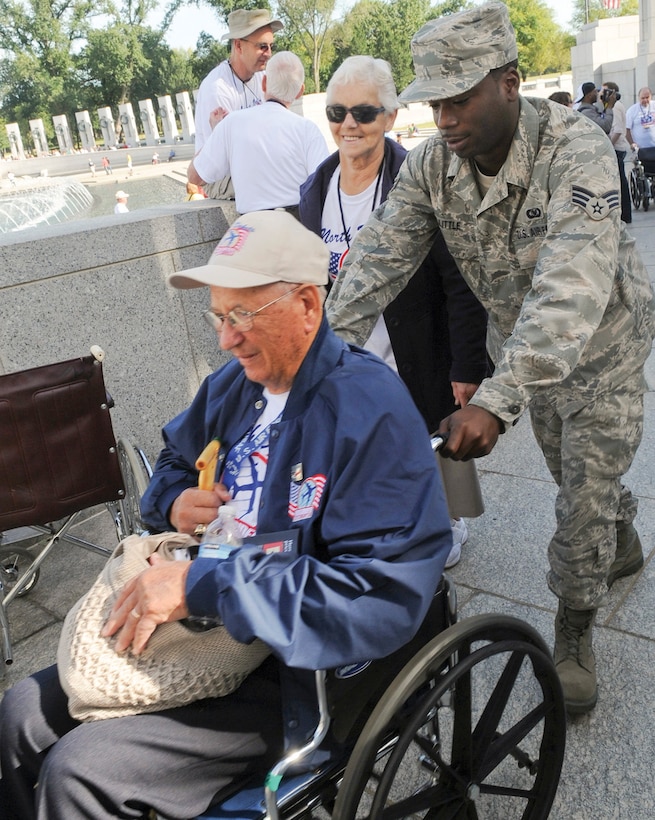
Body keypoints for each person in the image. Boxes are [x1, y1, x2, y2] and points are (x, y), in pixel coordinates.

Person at [0, 210, 451, 820]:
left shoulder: (370, 412)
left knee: (80, 773)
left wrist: (201, 585)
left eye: (242, 315)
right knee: (19, 717)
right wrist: (173, 501)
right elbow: (174, 462)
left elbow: (371, 591)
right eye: (218, 316)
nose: (225, 338)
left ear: (308, 305)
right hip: (199, 623)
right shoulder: (233, 386)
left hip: (293, 663)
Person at [325, 1, 655, 715]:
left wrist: (495, 402)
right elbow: (376, 259)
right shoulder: (433, 168)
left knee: (579, 497)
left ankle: (572, 630)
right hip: (522, 352)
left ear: (507, 82)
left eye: (458, 97)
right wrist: (315, 359)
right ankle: (617, 529)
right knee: (573, 468)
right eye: (432, 102)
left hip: (601, 348)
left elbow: (570, 292)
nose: (442, 119)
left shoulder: (576, 148)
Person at [299, 55, 489, 567]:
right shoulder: (315, 189)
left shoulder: (417, 176)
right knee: (368, 440)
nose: (348, 125)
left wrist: (468, 364)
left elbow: (461, 279)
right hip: (354, 346)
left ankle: (446, 521)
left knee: (432, 434)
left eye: (364, 112)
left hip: (418, 339)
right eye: (337, 112)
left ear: (390, 116)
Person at [189, 51, 329, 215]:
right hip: (297, 227)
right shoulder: (308, 130)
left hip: (252, 228)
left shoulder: (231, 123)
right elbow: (324, 188)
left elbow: (195, 176)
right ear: (300, 91)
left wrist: (216, 133)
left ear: (264, 83)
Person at [193, 8, 283, 158]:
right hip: (224, 176)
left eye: (271, 46)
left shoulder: (264, 78)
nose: (268, 54)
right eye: (262, 47)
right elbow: (228, 154)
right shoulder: (218, 89)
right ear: (239, 46)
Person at [605, 81, 631, 224]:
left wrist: (607, 146)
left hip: (616, 148)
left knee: (620, 182)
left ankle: (625, 216)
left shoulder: (615, 107)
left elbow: (618, 130)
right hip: (618, 147)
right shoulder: (617, 106)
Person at [626, 86, 655, 150]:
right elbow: (627, 130)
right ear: (639, 98)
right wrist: (632, 143)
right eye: (643, 98)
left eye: (647, 97)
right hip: (641, 148)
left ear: (651, 97)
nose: (645, 100)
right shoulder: (632, 110)